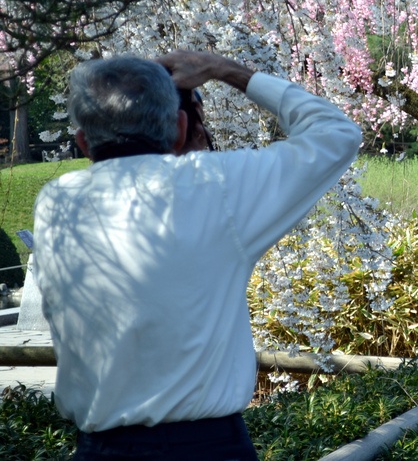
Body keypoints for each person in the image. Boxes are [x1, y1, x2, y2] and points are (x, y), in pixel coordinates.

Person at [32, 51, 363, 460]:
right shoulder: (215, 186)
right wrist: (228, 70)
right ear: (180, 128)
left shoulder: (55, 202)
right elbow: (337, 133)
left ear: (83, 142)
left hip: (99, 448)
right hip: (208, 447)